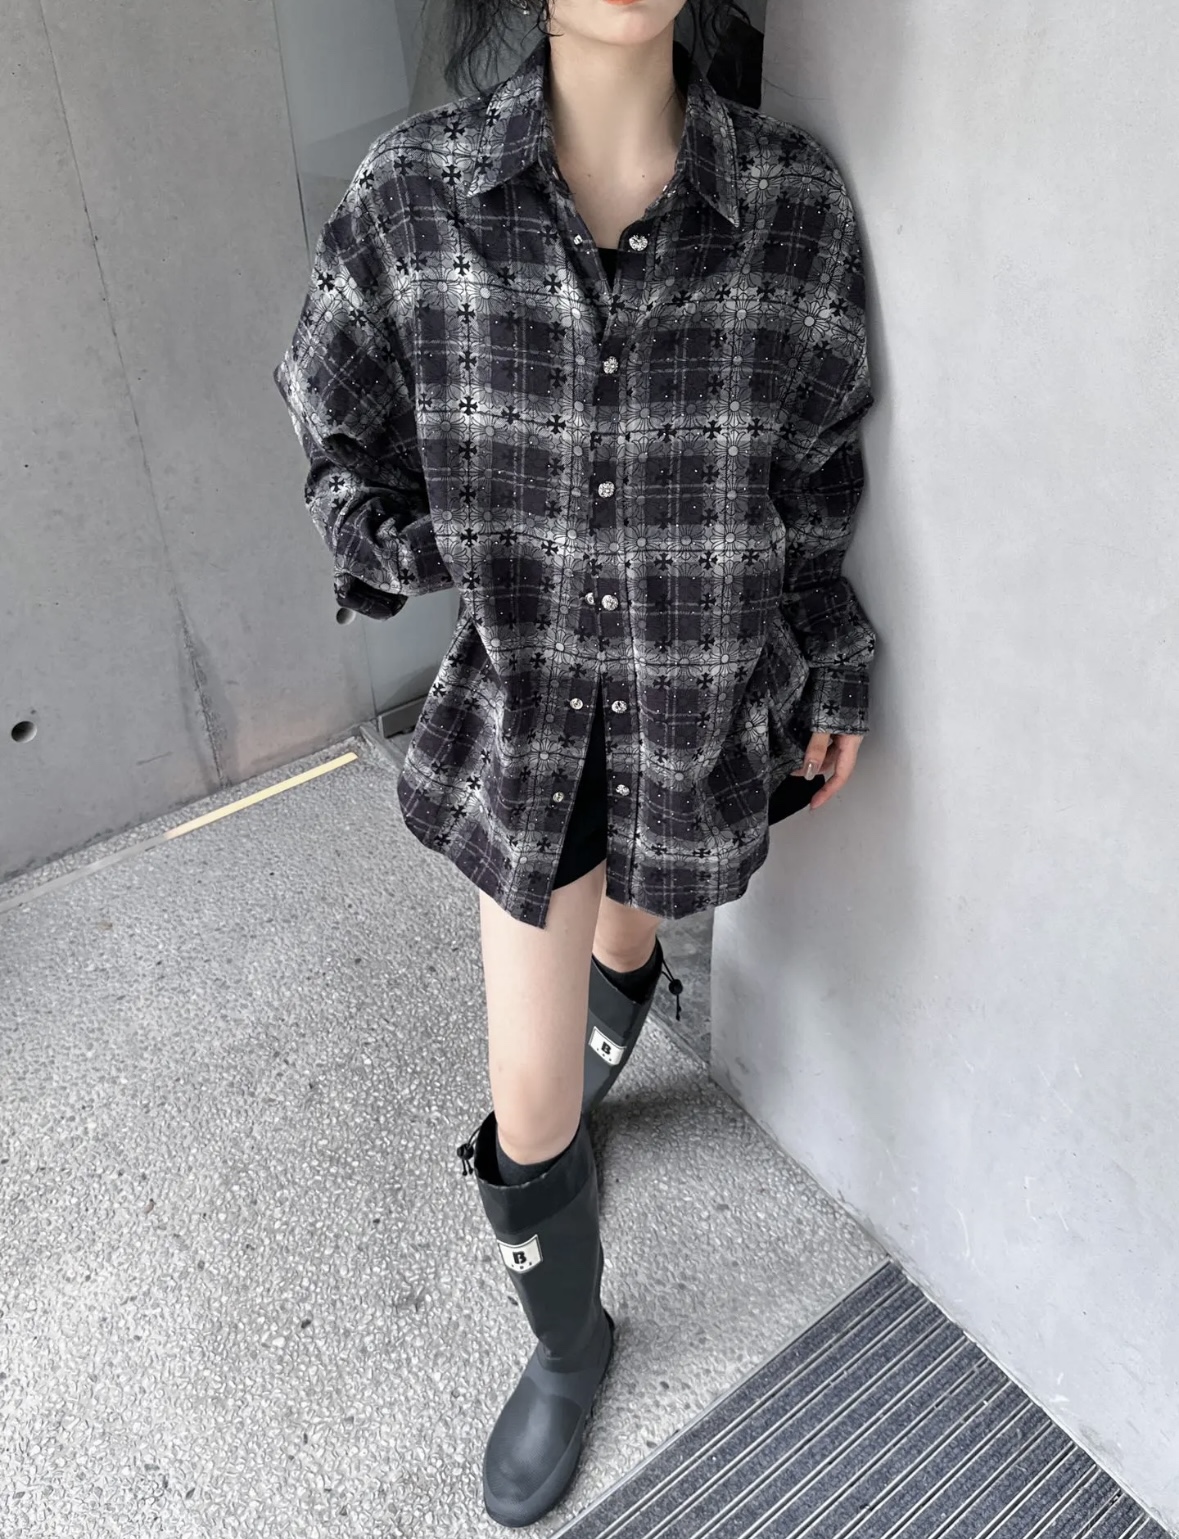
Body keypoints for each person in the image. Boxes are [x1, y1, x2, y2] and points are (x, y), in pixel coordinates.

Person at [273, 0, 877, 1524]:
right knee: (528, 1103)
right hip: (530, 732)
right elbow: (335, 423)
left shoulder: (791, 209)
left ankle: (614, 1060)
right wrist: (431, 550)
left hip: (693, 710)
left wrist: (836, 660)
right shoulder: (417, 200)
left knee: (633, 934)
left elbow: (816, 472)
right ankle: (567, 1345)